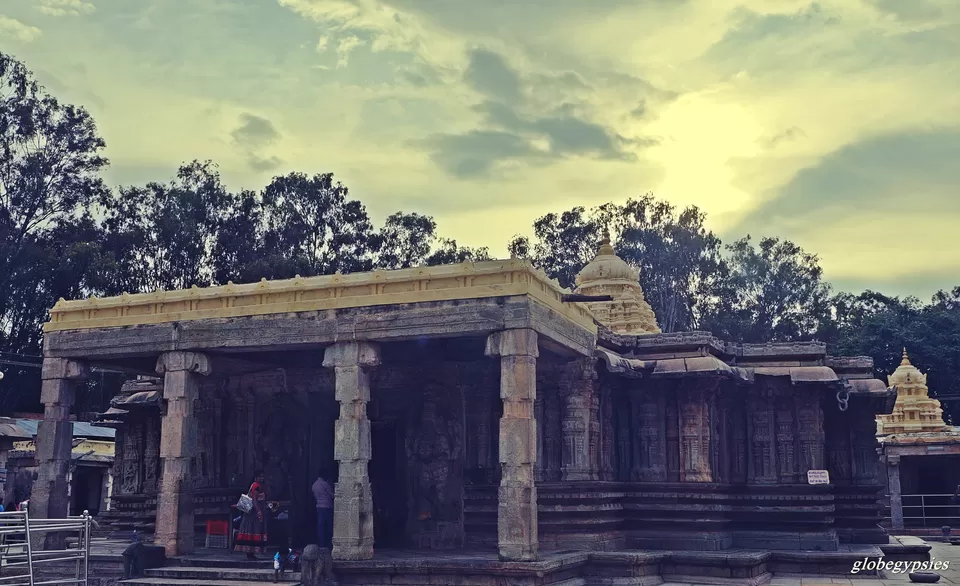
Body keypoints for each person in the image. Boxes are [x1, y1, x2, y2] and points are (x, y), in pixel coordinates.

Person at [234, 471, 268, 559]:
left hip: (254, 513)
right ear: (256, 477)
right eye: (260, 477)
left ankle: (251, 554)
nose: (262, 478)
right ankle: (249, 553)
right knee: (252, 531)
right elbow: (254, 500)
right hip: (253, 514)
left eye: (263, 477)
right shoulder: (256, 486)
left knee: (253, 532)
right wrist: (258, 511)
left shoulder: (258, 485)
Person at [312, 469, 334, 548]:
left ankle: (321, 543)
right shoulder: (325, 484)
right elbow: (332, 495)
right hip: (327, 506)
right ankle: (329, 543)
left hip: (319, 506)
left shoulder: (314, 485)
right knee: (329, 525)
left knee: (320, 525)